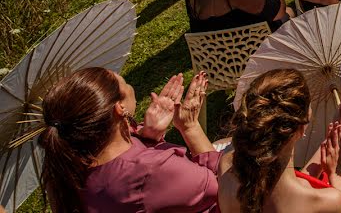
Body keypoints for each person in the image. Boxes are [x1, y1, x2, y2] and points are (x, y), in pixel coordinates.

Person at [218, 68, 341, 213]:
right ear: (301, 129)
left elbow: (281, 185)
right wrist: (335, 177)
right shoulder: (325, 201)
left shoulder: (226, 167)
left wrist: (324, 146)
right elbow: (334, 203)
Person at [38, 68, 219, 213]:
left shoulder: (66, 169)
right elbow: (225, 183)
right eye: (124, 82)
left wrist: (148, 137)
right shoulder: (150, 170)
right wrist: (190, 127)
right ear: (119, 108)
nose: (129, 85)